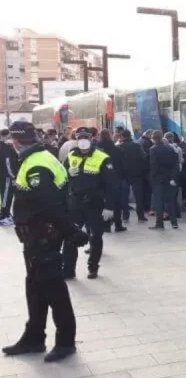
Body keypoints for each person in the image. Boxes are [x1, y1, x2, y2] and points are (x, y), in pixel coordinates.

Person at [2, 121, 88, 363]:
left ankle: (65, 341)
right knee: (35, 288)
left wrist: (71, 231)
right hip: (35, 238)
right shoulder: (40, 157)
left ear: (16, 142)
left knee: (54, 290)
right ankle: (34, 337)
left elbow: (51, 206)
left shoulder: (36, 165)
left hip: (43, 237)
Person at [62, 128, 116, 279]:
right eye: (80, 138)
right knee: (70, 236)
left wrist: (109, 207)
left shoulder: (102, 157)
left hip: (94, 203)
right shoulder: (71, 155)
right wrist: (67, 173)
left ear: (92, 139)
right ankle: (68, 270)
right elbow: (60, 176)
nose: (83, 141)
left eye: (86, 138)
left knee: (95, 236)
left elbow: (112, 184)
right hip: (75, 202)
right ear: (77, 140)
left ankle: (93, 267)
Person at [97, 129, 127, 231]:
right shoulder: (117, 150)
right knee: (117, 203)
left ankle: (106, 225)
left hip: (100, 180)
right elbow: (123, 166)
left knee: (104, 202)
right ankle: (118, 224)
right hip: (116, 179)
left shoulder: (96, 151)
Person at [149, 130, 179, 230]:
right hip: (169, 178)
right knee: (170, 201)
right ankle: (174, 223)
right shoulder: (169, 148)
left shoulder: (153, 149)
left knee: (159, 202)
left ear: (154, 139)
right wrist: (173, 177)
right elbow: (175, 163)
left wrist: (152, 178)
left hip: (158, 179)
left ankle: (159, 223)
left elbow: (154, 166)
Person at [118, 129, 147, 222]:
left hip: (123, 175)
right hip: (137, 174)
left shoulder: (119, 147)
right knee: (138, 196)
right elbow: (144, 157)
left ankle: (125, 216)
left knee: (123, 196)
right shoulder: (137, 145)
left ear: (121, 137)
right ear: (130, 136)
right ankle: (141, 216)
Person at [0, 128, 19, 226]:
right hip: (7, 176)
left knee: (6, 196)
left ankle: (6, 214)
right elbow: (8, 163)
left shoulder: (7, 146)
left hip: (5, 175)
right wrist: (13, 176)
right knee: (6, 196)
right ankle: (3, 216)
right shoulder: (6, 147)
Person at [164, 132, 184, 219]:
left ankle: (171, 214)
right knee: (174, 194)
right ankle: (177, 213)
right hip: (178, 171)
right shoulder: (178, 148)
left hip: (171, 174)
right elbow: (182, 160)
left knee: (169, 195)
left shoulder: (169, 149)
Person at [139, 130, 154, 214]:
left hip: (142, 169)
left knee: (144, 189)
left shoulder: (141, 141)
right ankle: (148, 206)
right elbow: (148, 156)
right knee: (149, 189)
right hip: (147, 169)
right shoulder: (147, 143)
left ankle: (144, 206)